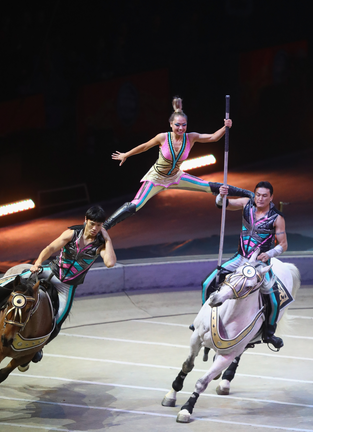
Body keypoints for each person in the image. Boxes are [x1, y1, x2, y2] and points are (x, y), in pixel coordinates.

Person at [0, 205, 117, 363]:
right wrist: (38, 263)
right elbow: (51, 247)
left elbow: (110, 262)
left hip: (67, 286)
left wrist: (107, 239)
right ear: (85, 220)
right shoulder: (72, 233)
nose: (94, 228)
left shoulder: (100, 243)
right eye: (92, 223)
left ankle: (37, 348)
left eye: (99, 225)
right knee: (12, 279)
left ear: (102, 226)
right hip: (51, 272)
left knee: (57, 323)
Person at [103, 96, 253, 230]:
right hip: (156, 178)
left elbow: (213, 137)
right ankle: (105, 227)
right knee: (135, 204)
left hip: (176, 177)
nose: (181, 128)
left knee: (209, 186)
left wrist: (226, 127)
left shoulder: (191, 137)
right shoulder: (162, 137)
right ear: (170, 124)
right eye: (177, 125)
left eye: (184, 125)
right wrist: (126, 155)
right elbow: (144, 146)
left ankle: (248, 194)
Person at [201, 181, 289, 349]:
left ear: (271, 197)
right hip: (240, 258)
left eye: (265, 196)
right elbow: (223, 205)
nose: (260, 199)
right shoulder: (246, 204)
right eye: (258, 195)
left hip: (259, 263)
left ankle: (269, 333)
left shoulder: (277, 218)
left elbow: (283, 244)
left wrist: (269, 254)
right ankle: (205, 318)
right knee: (207, 283)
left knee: (274, 299)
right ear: (254, 195)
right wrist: (221, 194)